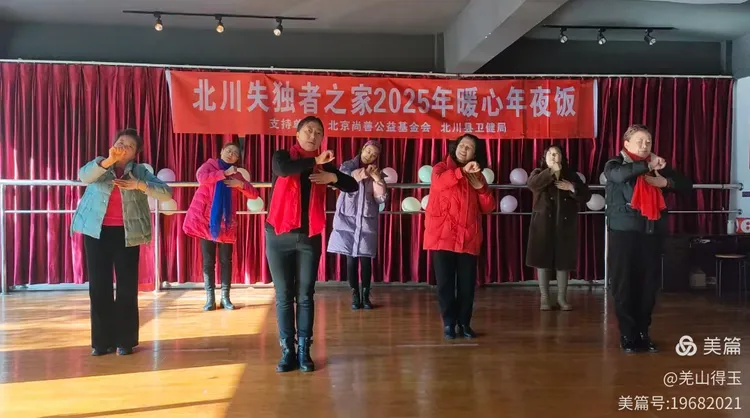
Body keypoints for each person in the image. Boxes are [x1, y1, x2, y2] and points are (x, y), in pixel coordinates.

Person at [265, 116, 358, 373]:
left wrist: (332, 178)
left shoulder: (323, 165)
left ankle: (304, 351)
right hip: (278, 235)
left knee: (305, 295)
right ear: (297, 135)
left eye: (318, 133)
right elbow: (283, 170)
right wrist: (315, 160)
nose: (313, 136)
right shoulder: (283, 156)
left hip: (308, 238)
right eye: (308, 131)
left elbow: (352, 185)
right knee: (284, 296)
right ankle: (287, 351)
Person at [70, 128, 173, 356]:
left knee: (127, 288)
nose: (123, 146)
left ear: (135, 153)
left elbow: (166, 193)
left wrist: (140, 185)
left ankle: (125, 341)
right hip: (96, 232)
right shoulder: (101, 164)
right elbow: (84, 176)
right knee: (99, 287)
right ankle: (101, 342)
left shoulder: (140, 171)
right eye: (120, 141)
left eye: (129, 145)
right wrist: (108, 161)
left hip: (127, 234)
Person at [604, 124, 692, 353]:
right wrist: (647, 165)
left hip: (651, 233)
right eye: (640, 141)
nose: (645, 145)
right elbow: (620, 176)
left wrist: (666, 183)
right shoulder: (615, 164)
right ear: (626, 143)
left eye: (648, 142)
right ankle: (628, 335)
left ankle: (643, 332)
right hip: (624, 235)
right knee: (624, 286)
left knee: (648, 287)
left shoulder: (657, 167)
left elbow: (687, 185)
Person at [423, 134, 496, 340]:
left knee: (467, 285)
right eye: (462, 145)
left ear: (475, 154)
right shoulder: (440, 168)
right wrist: (461, 172)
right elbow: (439, 184)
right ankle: (449, 323)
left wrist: (481, 189)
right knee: (445, 285)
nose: (464, 149)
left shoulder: (477, 176)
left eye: (470, 147)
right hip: (442, 236)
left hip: (468, 237)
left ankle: (464, 323)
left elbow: (489, 208)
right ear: (455, 147)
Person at [183, 142, 259, 311]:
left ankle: (226, 298)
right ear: (221, 151)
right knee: (208, 261)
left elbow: (254, 194)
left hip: (226, 223)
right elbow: (202, 178)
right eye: (228, 151)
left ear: (237, 159)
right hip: (206, 221)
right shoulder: (209, 166)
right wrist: (223, 174)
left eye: (235, 153)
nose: (231, 154)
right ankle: (210, 298)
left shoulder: (237, 175)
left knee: (226, 260)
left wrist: (240, 185)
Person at [526, 145, 591, 311]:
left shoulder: (571, 175)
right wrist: (550, 172)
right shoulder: (538, 172)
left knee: (563, 261)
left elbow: (586, 195)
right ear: (545, 157)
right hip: (543, 224)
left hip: (565, 224)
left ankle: (562, 298)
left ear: (562, 157)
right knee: (543, 260)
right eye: (550, 154)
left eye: (557, 154)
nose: (554, 156)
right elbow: (532, 185)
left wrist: (572, 187)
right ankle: (545, 298)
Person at [327, 140, 387, 310]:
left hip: (366, 223)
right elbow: (343, 179)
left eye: (374, 154)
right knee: (351, 260)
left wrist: (378, 180)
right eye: (368, 151)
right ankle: (355, 294)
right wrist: (363, 173)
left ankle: (366, 296)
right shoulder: (348, 166)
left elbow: (381, 199)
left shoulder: (377, 172)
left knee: (366, 261)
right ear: (363, 149)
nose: (370, 156)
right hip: (348, 220)